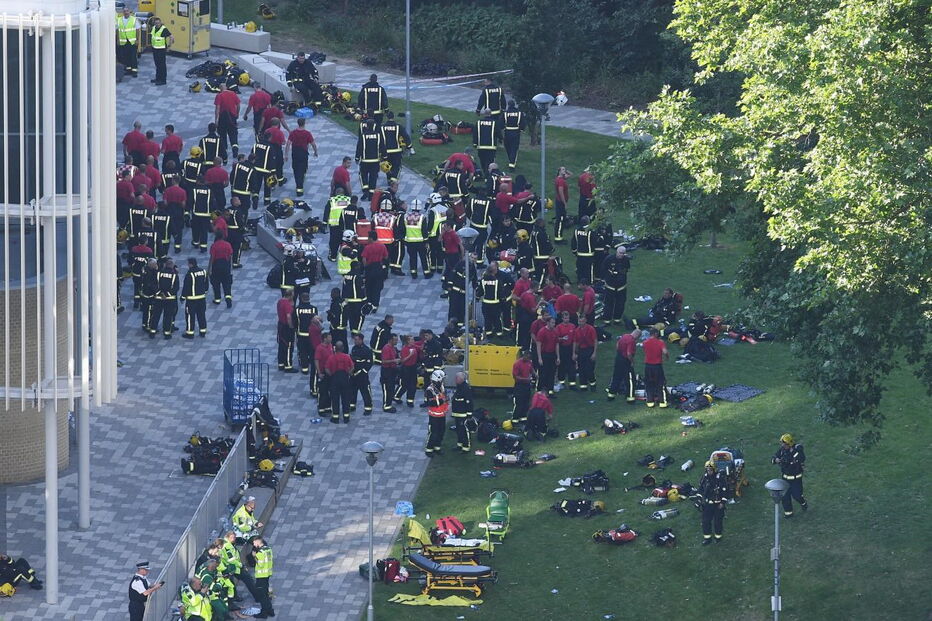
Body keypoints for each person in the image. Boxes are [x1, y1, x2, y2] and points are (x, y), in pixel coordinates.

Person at [772, 433, 809, 517]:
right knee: (785, 497)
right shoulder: (782, 450)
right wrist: (776, 460)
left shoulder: (797, 450)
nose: (783, 445)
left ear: (789, 444)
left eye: (784, 444)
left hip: (796, 479)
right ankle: (789, 513)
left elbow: (801, 458)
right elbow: (773, 458)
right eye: (782, 443)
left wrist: (791, 454)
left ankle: (803, 503)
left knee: (797, 495)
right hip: (785, 478)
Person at [697, 460, 729, 544]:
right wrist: (699, 499)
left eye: (710, 470)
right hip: (708, 504)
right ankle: (707, 538)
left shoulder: (720, 478)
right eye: (707, 470)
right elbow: (700, 490)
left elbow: (725, 491)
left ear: (714, 469)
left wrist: (722, 502)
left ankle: (718, 537)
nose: (709, 471)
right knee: (705, 521)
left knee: (717, 522)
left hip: (718, 505)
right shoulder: (704, 478)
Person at [285, 117, 318, 196]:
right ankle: (300, 188)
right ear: (304, 123)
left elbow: (288, 144)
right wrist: (315, 151)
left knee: (296, 169)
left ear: (298, 123)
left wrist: (286, 154)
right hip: (303, 153)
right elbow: (313, 144)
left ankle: (298, 185)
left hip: (295, 153)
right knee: (303, 169)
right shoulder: (307, 133)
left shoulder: (293, 133)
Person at [478, 261, 511, 337]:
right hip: (495, 304)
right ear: (493, 272)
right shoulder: (497, 281)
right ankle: (499, 334)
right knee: (497, 319)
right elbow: (500, 292)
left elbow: (480, 292)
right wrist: (503, 299)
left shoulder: (483, 281)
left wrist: (477, 297)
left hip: (486, 304)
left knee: (487, 319)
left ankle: (488, 333)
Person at [606, 329, 640, 402]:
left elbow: (617, 344)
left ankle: (611, 395)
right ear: (637, 335)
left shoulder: (625, 336)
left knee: (616, 377)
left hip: (618, 358)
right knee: (630, 380)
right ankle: (630, 398)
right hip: (625, 361)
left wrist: (619, 352)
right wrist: (632, 361)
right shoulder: (631, 341)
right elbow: (629, 354)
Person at [356, 118, 384, 200]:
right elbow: (382, 146)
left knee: (363, 175)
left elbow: (359, 147)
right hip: (375, 161)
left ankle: (365, 191)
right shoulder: (378, 135)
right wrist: (385, 156)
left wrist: (357, 157)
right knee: (373, 177)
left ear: (367, 126)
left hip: (365, 161)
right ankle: (371, 194)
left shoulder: (363, 136)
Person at [326, 341, 354, 423]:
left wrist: (331, 375)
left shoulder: (331, 357)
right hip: (345, 379)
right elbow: (352, 367)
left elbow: (327, 368)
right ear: (343, 348)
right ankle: (346, 417)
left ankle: (335, 417)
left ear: (335, 349)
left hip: (335, 379)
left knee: (335, 398)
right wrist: (349, 373)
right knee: (346, 398)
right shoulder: (347, 357)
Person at [602, 246, 631, 325]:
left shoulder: (626, 260)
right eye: (620, 253)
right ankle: (607, 321)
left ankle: (617, 319)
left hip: (621, 287)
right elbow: (604, 269)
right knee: (608, 304)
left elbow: (627, 269)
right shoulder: (609, 259)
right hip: (610, 286)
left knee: (620, 304)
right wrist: (607, 277)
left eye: (623, 253)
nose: (621, 255)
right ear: (617, 252)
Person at [361, 230, 389, 310]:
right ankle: (375, 305)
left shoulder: (367, 247)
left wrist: (366, 267)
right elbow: (386, 257)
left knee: (369, 287)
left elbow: (364, 259)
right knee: (377, 288)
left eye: (368, 237)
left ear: (371, 238)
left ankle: (369, 303)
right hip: (378, 268)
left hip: (370, 269)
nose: (367, 239)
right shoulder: (382, 246)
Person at [152, 258, 179, 339]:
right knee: (168, 316)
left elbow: (153, 285)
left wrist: (160, 293)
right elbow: (175, 288)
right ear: (172, 265)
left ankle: (152, 331)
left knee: (156, 315)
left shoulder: (158, 273)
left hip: (158, 298)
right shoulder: (174, 275)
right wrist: (166, 294)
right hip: (170, 300)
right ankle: (167, 333)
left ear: (165, 265)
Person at [181, 258, 208, 338]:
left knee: (190, 316)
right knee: (201, 315)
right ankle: (203, 331)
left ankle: (190, 333)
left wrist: (182, 297)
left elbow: (186, 287)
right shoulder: (203, 271)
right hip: (202, 298)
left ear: (191, 264)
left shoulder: (190, 274)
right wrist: (204, 292)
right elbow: (206, 283)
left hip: (191, 299)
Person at [214, 83, 240, 164]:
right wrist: (237, 114)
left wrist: (216, 120)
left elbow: (217, 108)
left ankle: (224, 152)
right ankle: (235, 152)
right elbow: (238, 104)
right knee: (233, 134)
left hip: (222, 118)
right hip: (232, 117)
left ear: (220, 89)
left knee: (222, 135)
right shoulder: (233, 94)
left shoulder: (219, 96)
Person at [424, 369, 449, 456]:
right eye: (442, 379)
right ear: (438, 379)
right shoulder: (430, 390)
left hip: (442, 414)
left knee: (441, 431)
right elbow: (430, 403)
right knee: (433, 433)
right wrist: (443, 401)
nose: (443, 380)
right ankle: (429, 449)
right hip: (434, 416)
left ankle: (437, 447)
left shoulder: (441, 386)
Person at [642, 328, 669, 407]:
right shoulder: (660, 342)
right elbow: (665, 352)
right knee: (660, 383)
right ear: (656, 334)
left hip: (648, 366)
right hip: (657, 366)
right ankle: (662, 402)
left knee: (649, 383)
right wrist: (667, 357)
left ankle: (650, 401)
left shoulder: (645, 342)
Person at [380, 111, 409, 183]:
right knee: (396, 166)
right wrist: (409, 146)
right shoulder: (398, 126)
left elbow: (379, 139)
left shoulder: (382, 127)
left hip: (386, 151)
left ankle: (389, 179)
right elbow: (405, 136)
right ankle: (394, 179)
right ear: (393, 117)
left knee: (387, 165)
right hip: (397, 150)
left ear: (387, 117)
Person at [404, 199, 430, 279]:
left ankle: (414, 273)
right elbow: (424, 230)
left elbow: (404, 229)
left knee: (412, 258)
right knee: (423, 257)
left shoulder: (406, 217)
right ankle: (426, 273)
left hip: (409, 241)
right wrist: (426, 241)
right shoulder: (422, 217)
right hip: (420, 241)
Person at [250, 537, 275, 618]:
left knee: (262, 595)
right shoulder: (268, 549)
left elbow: (260, 564)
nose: (254, 545)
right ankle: (270, 611)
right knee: (266, 594)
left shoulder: (260, 553)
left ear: (257, 542)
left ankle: (263, 613)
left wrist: (254, 556)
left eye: (254, 543)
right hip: (267, 574)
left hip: (261, 576)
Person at [350, 333, 374, 416]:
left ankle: (368, 408)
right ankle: (352, 405)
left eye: (357, 340)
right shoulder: (354, 349)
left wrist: (362, 371)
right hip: (354, 375)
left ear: (361, 340)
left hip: (362, 376)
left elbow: (369, 363)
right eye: (354, 340)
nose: (355, 341)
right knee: (352, 391)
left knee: (365, 392)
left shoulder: (367, 350)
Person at [294, 292, 318, 374]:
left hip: (301, 334)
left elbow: (295, 322)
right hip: (312, 335)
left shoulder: (297, 309)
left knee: (302, 351)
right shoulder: (314, 309)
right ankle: (312, 365)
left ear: (301, 299)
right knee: (312, 350)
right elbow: (315, 321)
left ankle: (305, 368)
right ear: (309, 298)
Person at [473, 108, 501, 177]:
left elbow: (475, 133)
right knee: (490, 162)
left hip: (481, 146)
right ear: (490, 114)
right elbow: (498, 132)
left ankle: (485, 174)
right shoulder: (494, 122)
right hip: (491, 147)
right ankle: (488, 175)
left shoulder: (479, 122)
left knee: (483, 161)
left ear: (484, 114)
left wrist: (475, 143)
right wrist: (501, 138)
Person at [451, 371, 474, 453]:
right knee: (459, 430)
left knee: (464, 431)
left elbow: (469, 401)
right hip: (458, 414)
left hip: (463, 414)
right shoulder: (460, 386)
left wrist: (469, 414)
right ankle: (460, 445)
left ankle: (466, 447)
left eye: (456, 378)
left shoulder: (465, 388)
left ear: (461, 379)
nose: (455, 379)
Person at [535, 316, 559, 396]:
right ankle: (540, 390)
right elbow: (538, 345)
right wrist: (539, 358)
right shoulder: (542, 332)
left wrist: (558, 357)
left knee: (551, 373)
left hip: (552, 355)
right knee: (543, 373)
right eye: (552, 323)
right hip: (544, 354)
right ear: (548, 323)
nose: (554, 324)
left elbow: (556, 344)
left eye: (554, 323)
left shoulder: (555, 331)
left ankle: (550, 390)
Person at [208, 234, 234, 307]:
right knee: (227, 284)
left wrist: (209, 269)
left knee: (216, 283)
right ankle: (228, 299)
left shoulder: (214, 245)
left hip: (216, 266)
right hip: (226, 266)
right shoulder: (228, 245)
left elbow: (212, 257)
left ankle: (217, 299)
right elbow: (230, 256)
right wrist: (230, 268)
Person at [574, 315, 598, 391]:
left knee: (589, 369)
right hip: (581, 351)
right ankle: (583, 386)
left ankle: (593, 383)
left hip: (589, 350)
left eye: (582, 321)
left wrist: (594, 353)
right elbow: (575, 342)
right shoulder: (577, 330)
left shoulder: (591, 329)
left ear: (586, 321)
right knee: (581, 370)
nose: (580, 323)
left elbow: (595, 341)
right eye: (579, 321)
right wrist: (574, 353)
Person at [511, 349, 535, 423]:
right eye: (527, 357)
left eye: (529, 358)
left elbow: (531, 369)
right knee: (519, 402)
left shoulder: (529, 362)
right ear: (524, 356)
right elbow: (515, 376)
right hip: (519, 385)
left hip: (527, 385)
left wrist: (535, 374)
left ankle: (523, 417)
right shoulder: (517, 364)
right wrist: (526, 379)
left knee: (526, 401)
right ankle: (515, 419)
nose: (528, 359)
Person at [555, 311, 576, 390]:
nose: (566, 320)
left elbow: (574, 340)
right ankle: (561, 383)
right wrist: (562, 339)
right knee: (562, 367)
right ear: (562, 318)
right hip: (562, 348)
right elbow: (556, 339)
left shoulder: (572, 326)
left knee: (571, 367)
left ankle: (572, 384)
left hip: (570, 348)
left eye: (567, 318)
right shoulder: (559, 327)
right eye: (565, 318)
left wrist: (574, 352)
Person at [396, 334, 419, 408]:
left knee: (413, 385)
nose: (413, 341)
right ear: (408, 341)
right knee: (404, 384)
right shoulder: (404, 349)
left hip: (413, 368)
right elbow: (403, 360)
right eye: (412, 340)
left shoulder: (413, 346)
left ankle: (410, 400)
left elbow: (419, 348)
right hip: (406, 368)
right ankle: (396, 396)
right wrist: (410, 355)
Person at [116, 7, 140, 78]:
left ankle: (134, 71)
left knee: (133, 56)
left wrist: (137, 40)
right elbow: (117, 30)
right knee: (126, 56)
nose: (126, 12)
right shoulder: (119, 20)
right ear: (123, 12)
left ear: (129, 12)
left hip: (132, 41)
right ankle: (129, 69)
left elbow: (137, 30)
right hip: (123, 41)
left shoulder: (134, 19)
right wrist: (118, 39)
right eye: (124, 11)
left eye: (127, 11)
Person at [149, 17, 173, 86]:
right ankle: (157, 78)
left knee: (162, 65)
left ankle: (163, 80)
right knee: (157, 65)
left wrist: (169, 46)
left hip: (161, 50)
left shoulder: (164, 29)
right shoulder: (154, 28)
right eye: (156, 23)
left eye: (158, 23)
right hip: (155, 49)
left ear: (160, 22)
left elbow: (171, 37)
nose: (157, 24)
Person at [313, 332, 334, 413]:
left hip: (329, 372)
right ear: (325, 339)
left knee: (329, 390)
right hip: (323, 372)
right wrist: (319, 373)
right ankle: (321, 409)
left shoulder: (330, 346)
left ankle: (328, 407)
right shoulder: (319, 348)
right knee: (322, 391)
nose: (331, 339)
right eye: (329, 337)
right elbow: (316, 361)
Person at [502, 100, 525, 169]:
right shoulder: (519, 113)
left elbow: (501, 123)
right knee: (514, 148)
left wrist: (503, 128)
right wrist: (521, 129)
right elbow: (523, 123)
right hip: (516, 133)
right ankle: (512, 163)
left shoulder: (505, 113)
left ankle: (511, 162)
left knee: (508, 147)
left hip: (507, 132)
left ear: (508, 105)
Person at [379, 333, 400, 413]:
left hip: (392, 371)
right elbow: (384, 361)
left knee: (391, 388)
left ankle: (389, 404)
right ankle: (386, 406)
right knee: (387, 389)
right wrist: (394, 361)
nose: (397, 341)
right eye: (395, 340)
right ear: (391, 340)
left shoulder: (393, 348)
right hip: (386, 371)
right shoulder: (386, 348)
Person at [276, 289, 296, 371]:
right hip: (287, 327)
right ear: (290, 295)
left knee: (281, 345)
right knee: (289, 346)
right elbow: (288, 317)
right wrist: (291, 327)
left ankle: (281, 364)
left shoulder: (280, 301)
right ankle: (288, 366)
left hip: (280, 325)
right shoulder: (287, 304)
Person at [571, 216, 595, 284]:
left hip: (579, 254)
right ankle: (590, 283)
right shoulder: (591, 231)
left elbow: (573, 242)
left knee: (580, 269)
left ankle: (580, 283)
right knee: (589, 269)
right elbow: (594, 242)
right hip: (589, 254)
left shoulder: (576, 230)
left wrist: (574, 251)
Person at [327, 287, 348, 354]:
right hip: (343, 327)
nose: (331, 295)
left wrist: (329, 314)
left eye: (332, 294)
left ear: (336, 294)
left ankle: (336, 354)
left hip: (336, 329)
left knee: (335, 343)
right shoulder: (344, 302)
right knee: (344, 343)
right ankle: (345, 354)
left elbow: (334, 316)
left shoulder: (335, 304)